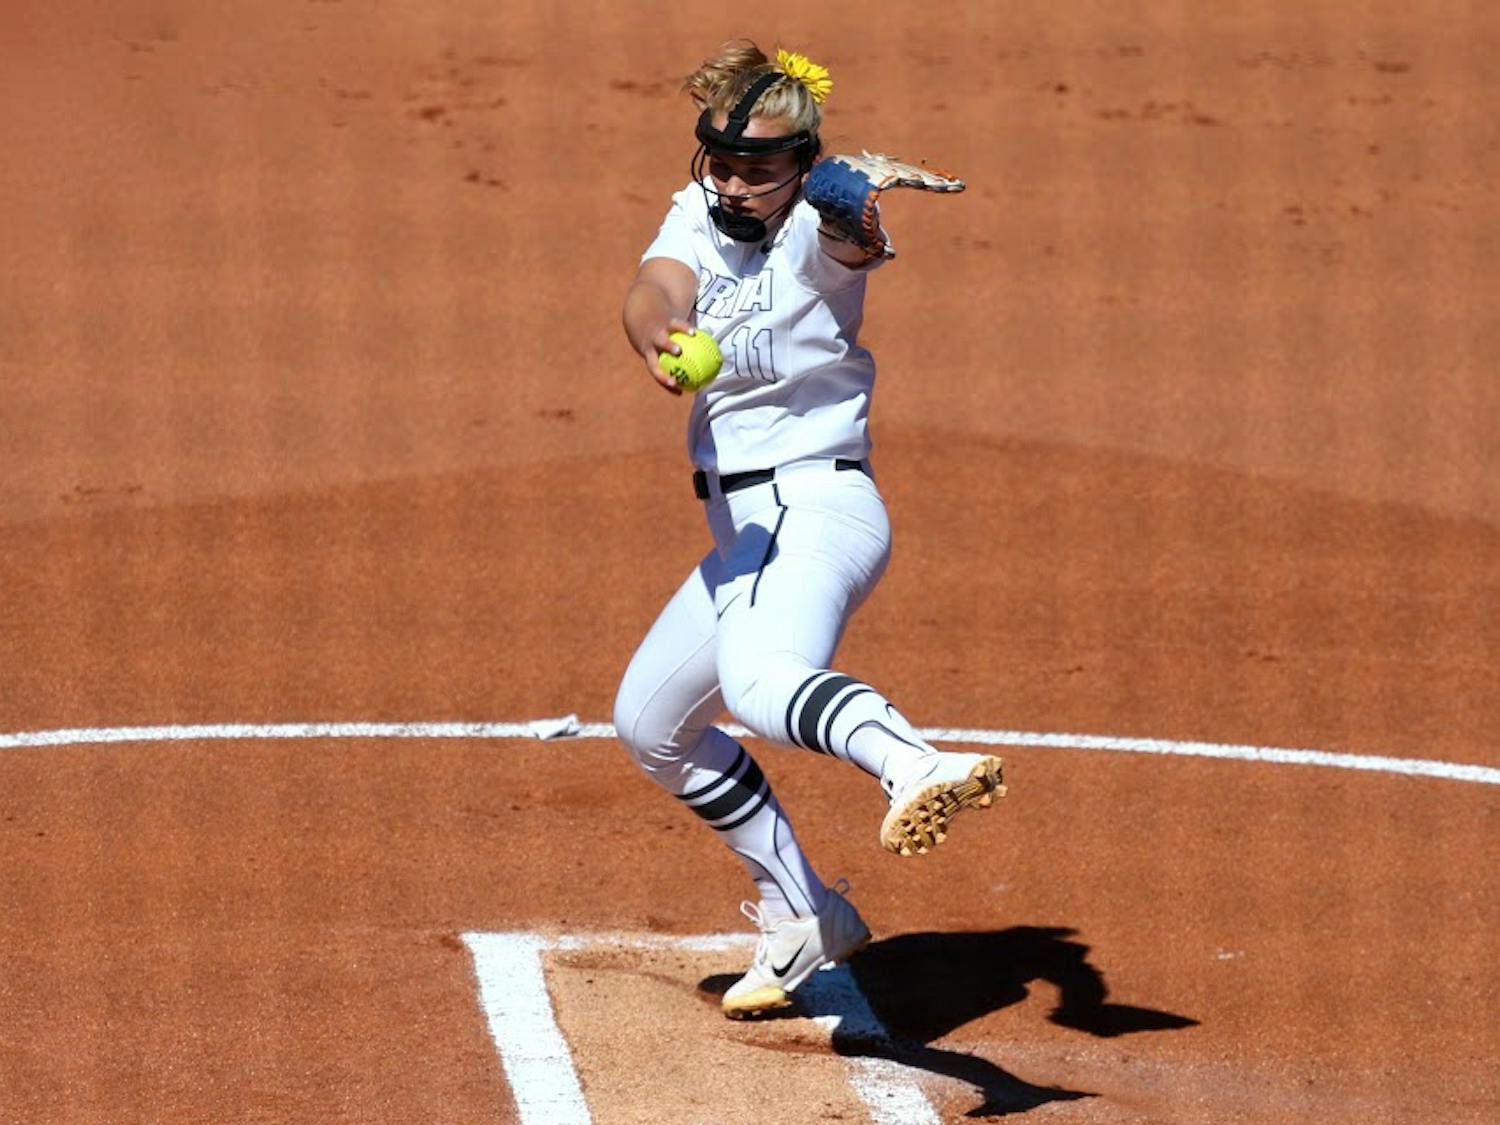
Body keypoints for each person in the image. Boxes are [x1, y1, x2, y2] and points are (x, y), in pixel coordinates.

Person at [613, 39, 1004, 1020]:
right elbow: (653, 287)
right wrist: (659, 333)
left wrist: (849, 199)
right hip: (746, 533)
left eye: (761, 167)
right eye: (725, 160)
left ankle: (913, 764)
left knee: (757, 681)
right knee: (653, 726)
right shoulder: (698, 217)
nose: (737, 183)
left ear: (801, 168)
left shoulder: (818, 232)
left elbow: (853, 234)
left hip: (814, 503)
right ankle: (806, 914)